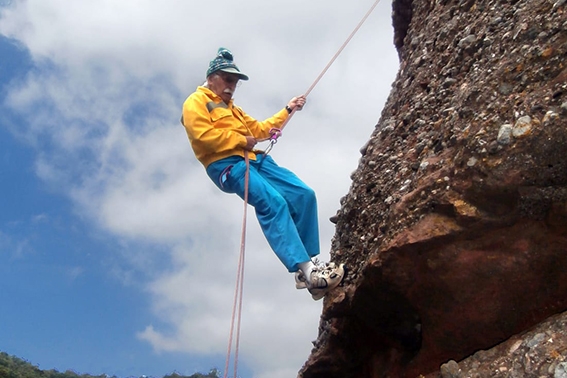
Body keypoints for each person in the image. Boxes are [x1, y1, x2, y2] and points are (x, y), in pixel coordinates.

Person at [181, 47, 344, 300]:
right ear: (211, 77)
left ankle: (308, 268)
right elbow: (202, 137)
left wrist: (288, 109)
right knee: (273, 202)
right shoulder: (196, 101)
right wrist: (240, 139)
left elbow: (260, 129)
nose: (231, 85)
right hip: (226, 165)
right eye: (227, 78)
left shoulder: (234, 109)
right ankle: (308, 271)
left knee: (303, 194)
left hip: (255, 159)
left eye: (234, 81)